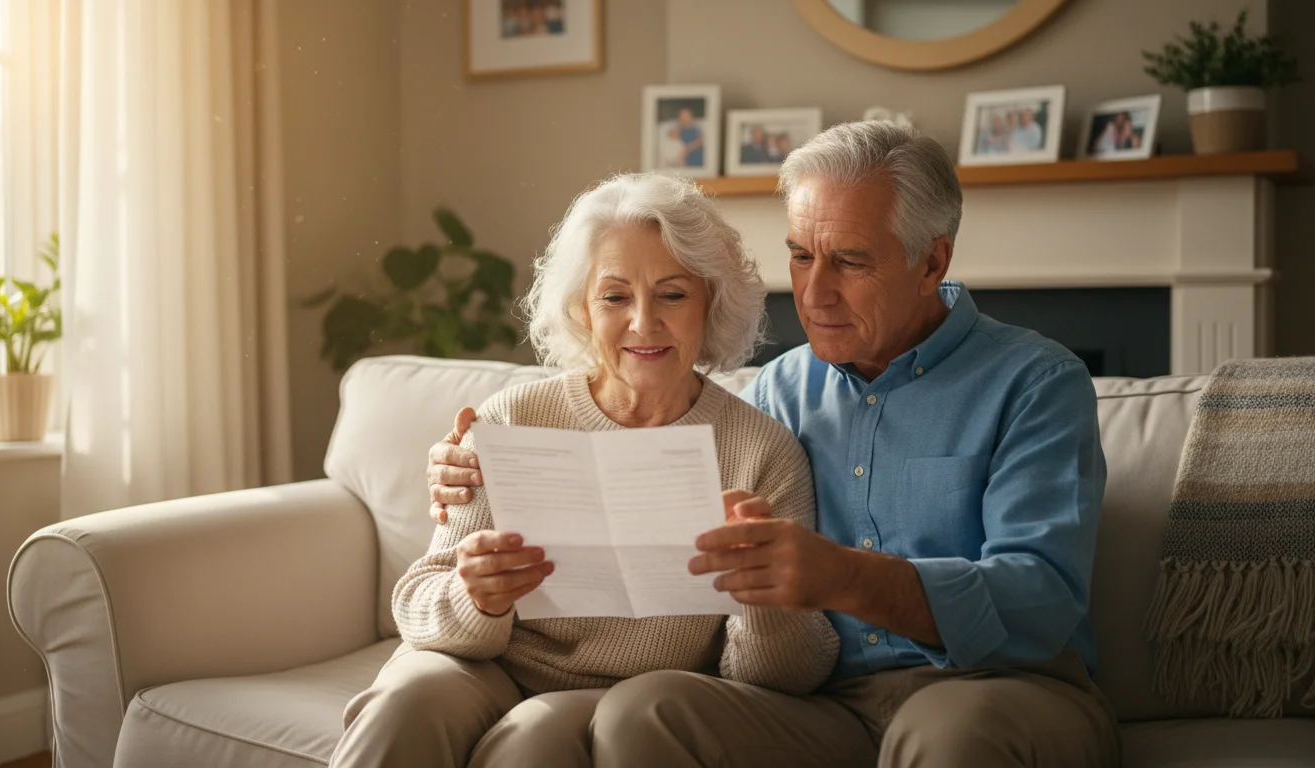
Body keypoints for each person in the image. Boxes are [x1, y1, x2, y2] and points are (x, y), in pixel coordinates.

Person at [428, 121, 1121, 767]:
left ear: (931, 260)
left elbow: (1043, 600)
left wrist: (846, 577)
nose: (814, 294)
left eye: (849, 261)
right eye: (799, 255)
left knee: (947, 733)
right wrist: (473, 470)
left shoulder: (1036, 383)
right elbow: (638, 460)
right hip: (825, 707)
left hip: (1001, 687)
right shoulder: (774, 394)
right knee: (645, 710)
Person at [330, 173, 839, 768]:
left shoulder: (762, 452)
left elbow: (782, 676)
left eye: (672, 295)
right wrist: (476, 596)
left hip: (629, 701)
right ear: (581, 309)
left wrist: (762, 596)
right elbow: (417, 604)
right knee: (405, 700)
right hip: (484, 665)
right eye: (615, 297)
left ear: (712, 303)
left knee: (531, 739)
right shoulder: (513, 417)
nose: (643, 323)